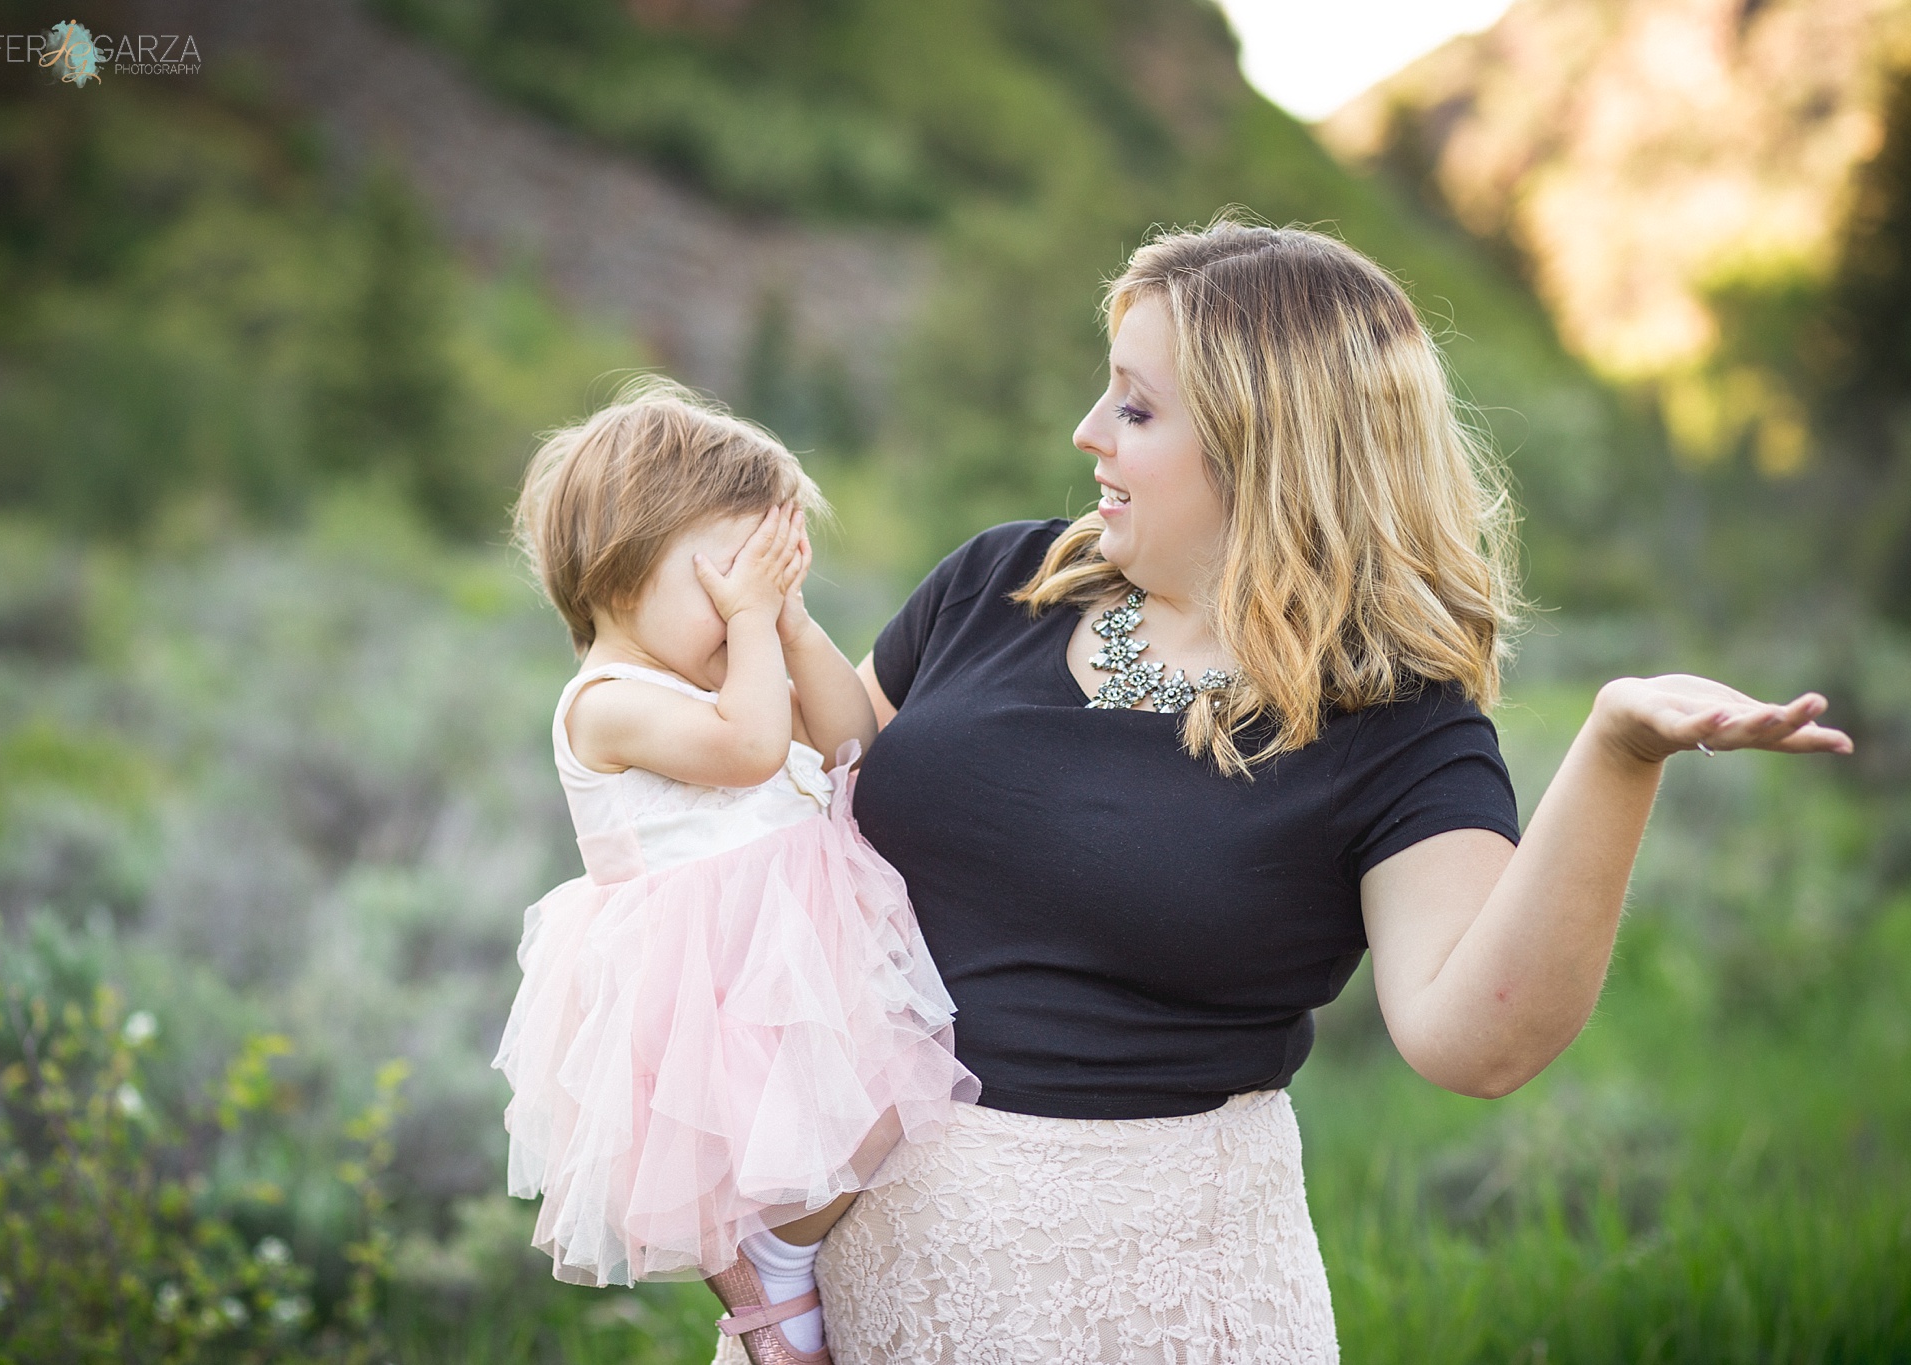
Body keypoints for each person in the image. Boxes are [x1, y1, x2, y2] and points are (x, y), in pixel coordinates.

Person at [708, 218, 1854, 1364]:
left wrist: (1615, 753)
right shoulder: (996, 581)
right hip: (849, 1309)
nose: (1086, 432)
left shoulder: (1394, 723)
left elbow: (1478, 1043)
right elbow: (802, 823)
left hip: (1132, 1322)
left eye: (1137, 409)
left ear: (1272, 446)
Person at [495, 377, 979, 1365]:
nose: (740, 604)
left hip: (787, 960)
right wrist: (754, 630)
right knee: (851, 1130)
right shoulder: (606, 701)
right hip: (709, 996)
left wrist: (789, 624)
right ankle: (770, 1266)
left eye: (764, 575)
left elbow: (851, 740)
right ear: (616, 565)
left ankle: (788, 1254)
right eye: (724, 578)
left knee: (883, 1110)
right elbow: (751, 750)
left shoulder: (733, 668)